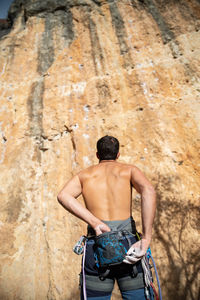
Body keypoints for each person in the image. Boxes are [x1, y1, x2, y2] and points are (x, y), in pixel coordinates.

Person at [57, 135, 156, 300]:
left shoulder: (84, 175)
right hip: (129, 246)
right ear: (118, 155)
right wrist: (146, 238)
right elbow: (149, 191)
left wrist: (95, 222)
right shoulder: (129, 170)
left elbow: (63, 195)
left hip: (97, 245)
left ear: (97, 155)